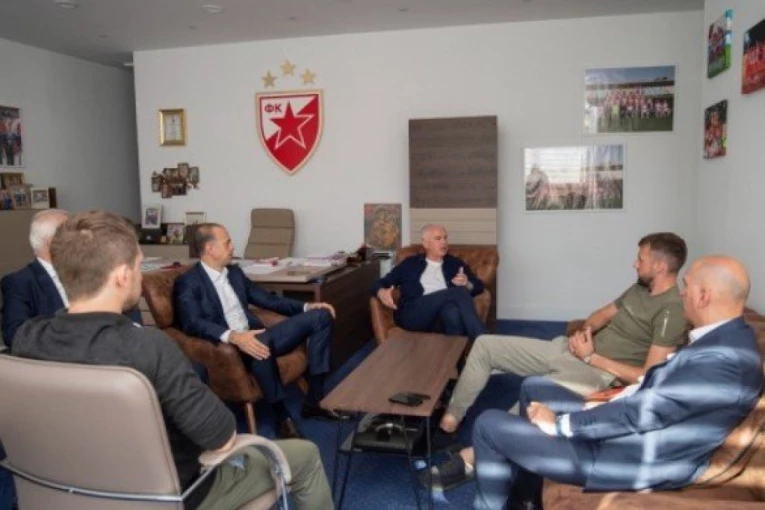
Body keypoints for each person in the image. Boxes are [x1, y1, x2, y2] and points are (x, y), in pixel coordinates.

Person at [10, 211, 334, 510]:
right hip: (170, 496)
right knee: (305, 455)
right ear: (122, 276)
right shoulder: (148, 347)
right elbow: (221, 436)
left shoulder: (26, 339)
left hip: (64, 494)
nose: (140, 275)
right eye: (139, 266)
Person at [471, 255, 763, 510]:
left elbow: (644, 412)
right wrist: (608, 400)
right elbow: (661, 395)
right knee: (534, 387)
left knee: (488, 424)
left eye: (686, 285)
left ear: (703, 296)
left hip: (628, 458)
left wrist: (559, 425)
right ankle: (527, 498)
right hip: (629, 434)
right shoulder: (726, 339)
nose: (682, 292)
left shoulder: (725, 360)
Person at [427, 232, 689, 488]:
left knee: (533, 394)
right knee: (486, 345)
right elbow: (602, 314)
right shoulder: (641, 288)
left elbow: (647, 375)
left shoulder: (672, 310)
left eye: (641, 259)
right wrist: (584, 333)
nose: (635, 263)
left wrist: (592, 357)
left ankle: (472, 458)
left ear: (660, 266)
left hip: (599, 373)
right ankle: (449, 423)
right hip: (570, 350)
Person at [173, 223, 340, 439]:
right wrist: (234, 337)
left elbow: (267, 299)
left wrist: (306, 307)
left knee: (321, 316)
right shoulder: (188, 282)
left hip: (258, 335)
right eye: (227, 243)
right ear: (210, 249)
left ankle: (314, 402)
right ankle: (282, 418)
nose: (233, 247)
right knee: (259, 343)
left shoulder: (234, 272)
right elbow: (191, 322)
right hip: (230, 348)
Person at [1, 209, 143, 348]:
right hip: (59, 358)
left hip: (117, 350)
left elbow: (132, 316)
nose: (82, 238)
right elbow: (14, 334)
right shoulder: (19, 282)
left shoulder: (95, 267)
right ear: (52, 242)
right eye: (70, 234)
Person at [372, 224, 486, 341]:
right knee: (458, 292)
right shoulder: (410, 264)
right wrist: (380, 291)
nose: (444, 242)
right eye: (438, 239)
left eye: (445, 238)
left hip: (439, 319)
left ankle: (455, 352)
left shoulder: (455, 263)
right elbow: (381, 282)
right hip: (413, 314)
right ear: (425, 243)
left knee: (452, 312)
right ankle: (482, 340)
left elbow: (479, 286)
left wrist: (467, 283)